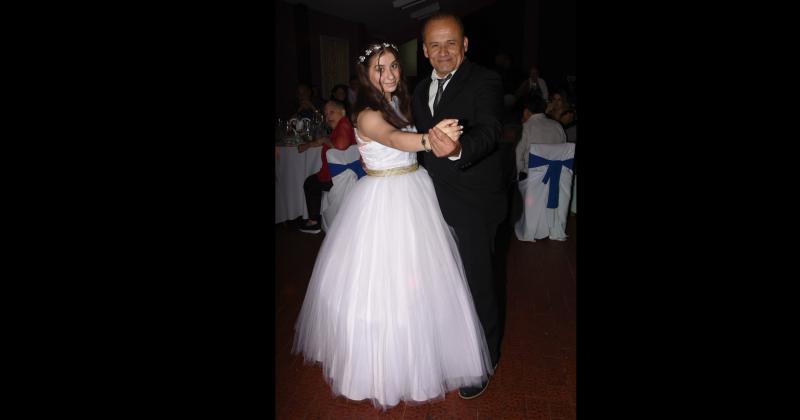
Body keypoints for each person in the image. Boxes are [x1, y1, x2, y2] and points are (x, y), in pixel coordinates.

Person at [293, 42, 493, 410]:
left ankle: (424, 360)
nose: (388, 74)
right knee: (385, 285)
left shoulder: (401, 103)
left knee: (424, 283)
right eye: (379, 69)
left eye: (393, 66)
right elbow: (393, 139)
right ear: (367, 77)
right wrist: (430, 140)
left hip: (415, 190)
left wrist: (437, 133)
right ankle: (382, 368)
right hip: (383, 200)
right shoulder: (367, 113)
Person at [411, 12, 508, 399]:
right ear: (424, 50)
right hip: (430, 202)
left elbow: (489, 130)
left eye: (451, 42)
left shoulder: (485, 80)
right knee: (442, 283)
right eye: (435, 45)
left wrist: (458, 149)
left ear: (465, 44)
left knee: (477, 283)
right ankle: (451, 348)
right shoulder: (419, 90)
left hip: (473, 201)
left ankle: (484, 360)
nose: (443, 51)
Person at [297, 99, 356, 234]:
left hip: (337, 177)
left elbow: (340, 146)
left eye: (331, 112)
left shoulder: (344, 125)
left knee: (310, 183)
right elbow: (331, 141)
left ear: (342, 112)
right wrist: (308, 145)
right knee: (312, 182)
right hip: (343, 174)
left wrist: (324, 140)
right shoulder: (343, 125)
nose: (328, 117)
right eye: (326, 114)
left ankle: (313, 222)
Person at [515, 93, 567, 179]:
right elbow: (564, 152)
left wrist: (519, 178)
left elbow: (518, 156)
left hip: (531, 180)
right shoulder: (558, 126)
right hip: (554, 177)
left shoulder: (525, 128)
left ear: (526, 111)